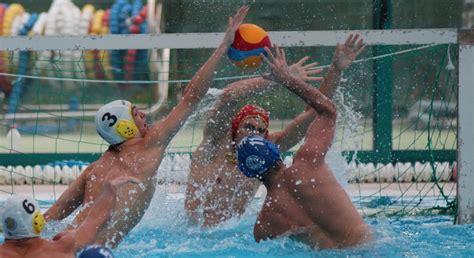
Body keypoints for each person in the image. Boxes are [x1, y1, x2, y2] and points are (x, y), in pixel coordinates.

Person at [43, 6, 250, 247]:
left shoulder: (94, 170)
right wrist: (223, 47)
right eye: (135, 114)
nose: (142, 115)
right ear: (125, 128)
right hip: (91, 249)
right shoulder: (149, 145)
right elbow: (191, 97)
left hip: (62, 244)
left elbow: (50, 217)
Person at [185, 34, 365, 227]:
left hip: (229, 238)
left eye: (260, 130)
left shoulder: (266, 152)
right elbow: (229, 95)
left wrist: (335, 70)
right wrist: (279, 79)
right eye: (248, 126)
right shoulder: (214, 144)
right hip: (194, 236)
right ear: (235, 130)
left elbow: (314, 112)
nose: (254, 133)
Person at [234, 45, 372, 249]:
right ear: (275, 150)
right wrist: (286, 79)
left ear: (248, 171)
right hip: (372, 251)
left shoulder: (264, 225)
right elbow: (327, 111)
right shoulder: (308, 163)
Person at [0, 176, 139, 258]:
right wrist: (109, 189)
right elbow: (97, 219)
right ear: (38, 222)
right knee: (96, 254)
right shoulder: (63, 247)